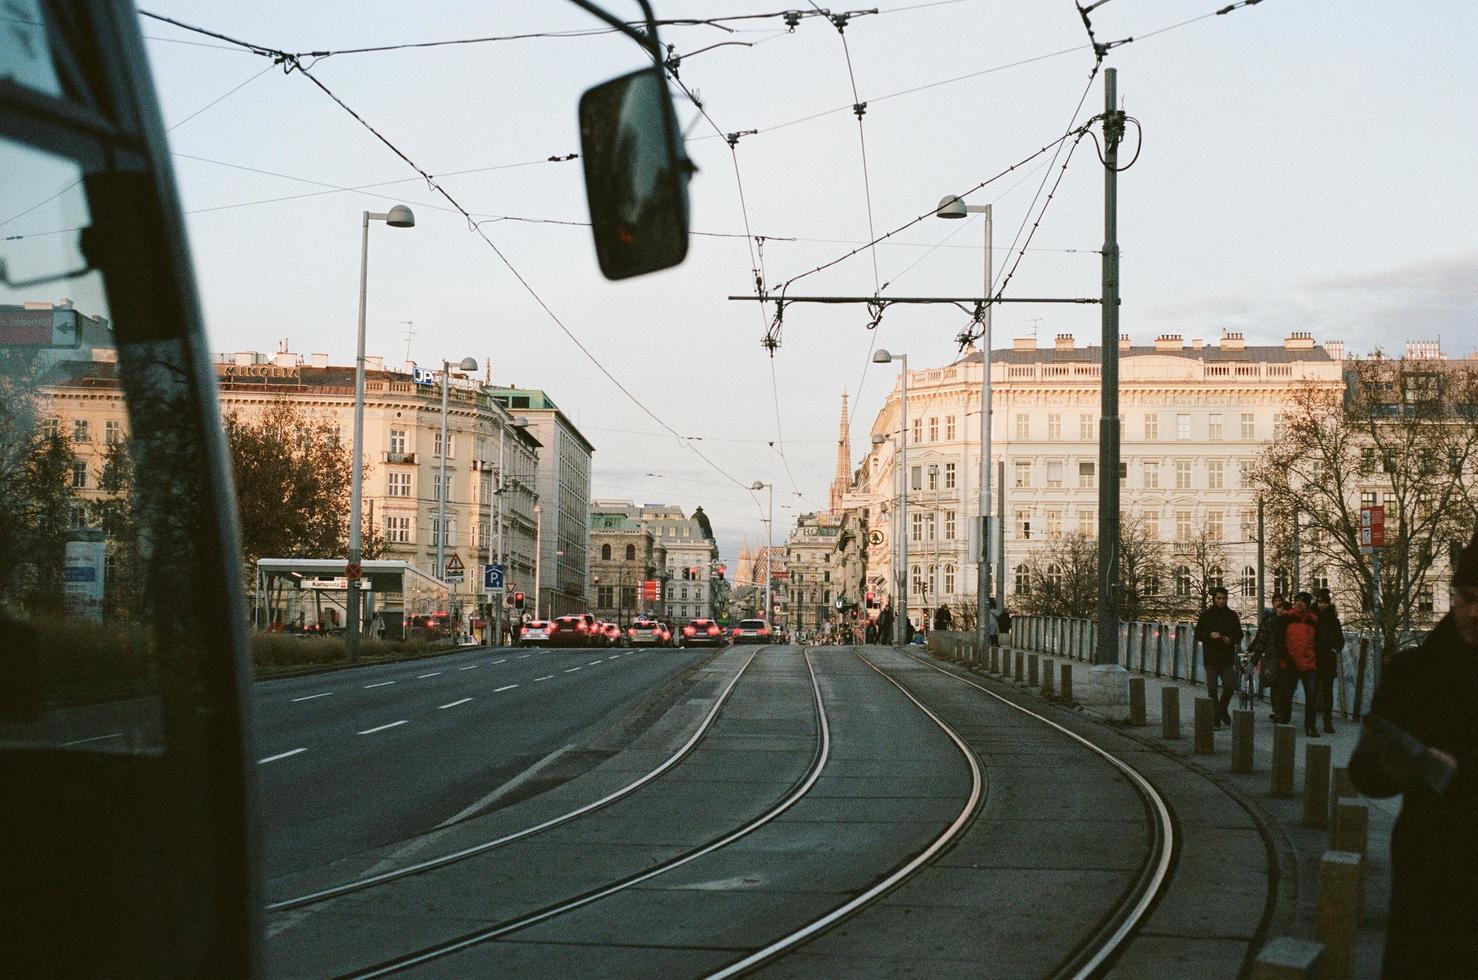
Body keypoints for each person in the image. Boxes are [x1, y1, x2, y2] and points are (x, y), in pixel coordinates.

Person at [1349, 529, 1478, 976]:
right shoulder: (1415, 673)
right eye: (1467, 596)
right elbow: (1363, 773)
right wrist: (1393, 765)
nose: (1475, 612)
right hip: (1431, 876)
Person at [1271, 591, 1321, 735]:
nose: (1299, 603)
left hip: (1308, 662)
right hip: (1290, 662)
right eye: (1297, 600)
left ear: (1308, 604)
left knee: (1311, 695)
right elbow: (1279, 641)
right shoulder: (1287, 618)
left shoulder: (1313, 620)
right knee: (1287, 694)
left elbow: (1319, 641)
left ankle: (1310, 725)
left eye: (1303, 601)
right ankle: (1285, 721)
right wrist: (1286, 658)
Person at [1194, 586, 1244, 728]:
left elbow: (1239, 634)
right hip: (1210, 657)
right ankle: (1216, 718)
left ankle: (1220, 711)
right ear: (1214, 599)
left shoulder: (1232, 615)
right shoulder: (1206, 615)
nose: (1222, 601)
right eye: (1219, 598)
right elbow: (1198, 633)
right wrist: (1209, 635)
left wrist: (1231, 639)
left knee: (1229, 687)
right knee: (1212, 689)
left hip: (1226, 657)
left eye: (1224, 598)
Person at [1313, 588, 1343, 734]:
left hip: (1328, 659)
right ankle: (1312, 721)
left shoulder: (1333, 620)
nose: (1323, 605)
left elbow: (1340, 640)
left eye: (1325, 602)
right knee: (1313, 690)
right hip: (1314, 658)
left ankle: (1327, 721)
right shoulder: (1312, 617)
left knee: (1327, 692)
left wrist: (1334, 650)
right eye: (1320, 602)